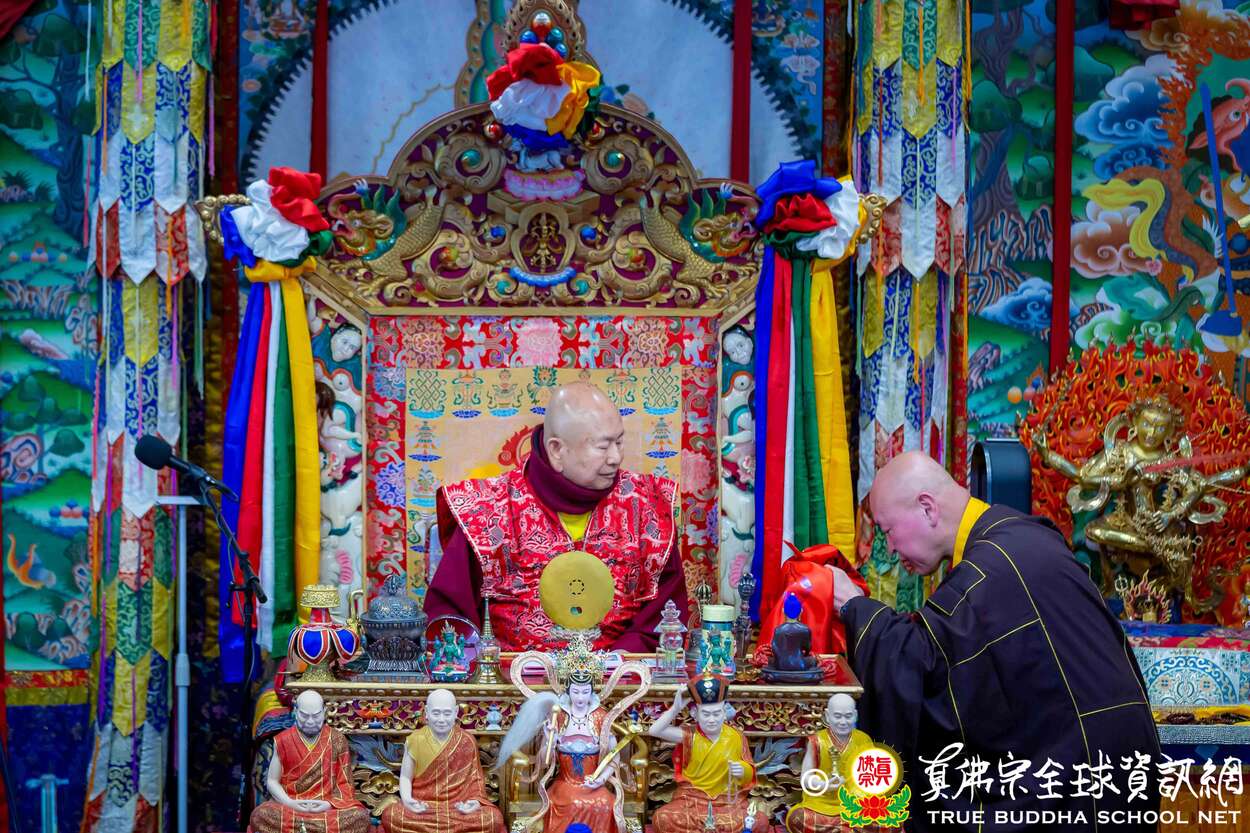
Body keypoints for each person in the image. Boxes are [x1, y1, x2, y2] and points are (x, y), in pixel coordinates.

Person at [830, 451, 1160, 832]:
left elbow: (919, 664)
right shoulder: (1023, 537)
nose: (890, 549)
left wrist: (853, 606)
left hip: (1082, 783)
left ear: (927, 508)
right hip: (1124, 766)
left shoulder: (988, 570)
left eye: (888, 531)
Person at [426, 382, 688, 651]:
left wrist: (620, 662)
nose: (615, 457)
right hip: (513, 674)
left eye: (619, 442)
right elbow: (450, 621)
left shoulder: (647, 506)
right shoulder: (487, 510)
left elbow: (666, 616)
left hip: (622, 672)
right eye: (602, 447)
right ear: (556, 450)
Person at [648, 676, 768, 833]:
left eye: (716, 714)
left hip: (727, 802)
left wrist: (743, 770)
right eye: (706, 714)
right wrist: (675, 708)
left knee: (760, 821)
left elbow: (749, 772)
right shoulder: (690, 735)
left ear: (724, 713)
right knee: (662, 818)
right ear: (696, 715)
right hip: (692, 800)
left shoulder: (736, 736)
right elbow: (654, 731)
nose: (711, 720)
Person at [379, 689, 504, 833]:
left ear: (456, 712)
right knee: (391, 815)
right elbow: (406, 777)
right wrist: (407, 801)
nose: (441, 719)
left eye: (447, 713)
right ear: (427, 712)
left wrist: (474, 803)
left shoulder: (467, 741)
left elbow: (475, 782)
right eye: (436, 713)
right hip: (425, 807)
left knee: (494, 818)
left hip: (457, 808)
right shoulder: (416, 739)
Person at [248, 690, 369, 833]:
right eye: (304, 716)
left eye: (316, 716)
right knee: (260, 816)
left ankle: (302, 829)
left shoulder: (337, 739)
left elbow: (345, 784)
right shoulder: (282, 740)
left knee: (360, 817)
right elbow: (272, 781)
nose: (310, 722)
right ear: (296, 711)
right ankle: (318, 829)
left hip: (325, 808)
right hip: (293, 806)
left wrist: (328, 804)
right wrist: (289, 802)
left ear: (324, 712)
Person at [785, 694, 876, 833]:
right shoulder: (817, 740)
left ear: (855, 715)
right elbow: (806, 778)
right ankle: (847, 828)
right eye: (837, 716)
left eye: (848, 716)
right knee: (797, 818)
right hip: (822, 804)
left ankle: (841, 828)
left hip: (855, 805)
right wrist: (823, 785)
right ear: (827, 716)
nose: (843, 722)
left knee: (891, 819)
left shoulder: (863, 740)